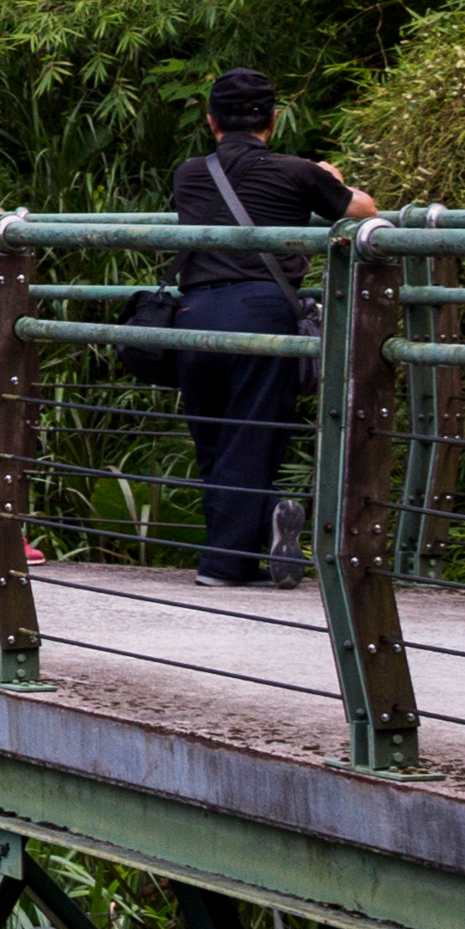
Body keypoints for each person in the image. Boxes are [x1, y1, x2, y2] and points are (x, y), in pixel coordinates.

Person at [170, 65, 372, 587]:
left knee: (213, 441)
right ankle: (225, 565)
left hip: (192, 315)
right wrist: (335, 183)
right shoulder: (298, 172)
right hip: (262, 314)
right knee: (252, 438)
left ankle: (253, 536)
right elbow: (364, 213)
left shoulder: (188, 173)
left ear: (211, 120)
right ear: (274, 120)